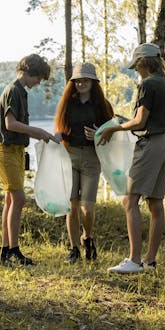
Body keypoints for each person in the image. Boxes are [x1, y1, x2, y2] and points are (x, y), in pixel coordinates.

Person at [98, 43, 165, 274]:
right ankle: (149, 262)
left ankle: (133, 260)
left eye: (136, 66)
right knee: (155, 203)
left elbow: (141, 122)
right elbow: (151, 118)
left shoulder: (148, 84)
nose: (136, 70)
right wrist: (126, 121)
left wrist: (114, 128)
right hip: (164, 142)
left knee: (129, 201)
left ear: (144, 62)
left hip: (150, 144)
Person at [0, 54, 56, 265]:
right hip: (6, 150)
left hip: (17, 150)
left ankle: (5, 251)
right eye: (38, 78)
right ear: (29, 72)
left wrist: (39, 134)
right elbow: (10, 124)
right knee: (18, 199)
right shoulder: (13, 91)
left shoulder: (21, 92)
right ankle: (13, 250)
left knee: (11, 200)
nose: (39, 82)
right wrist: (37, 131)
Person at [53, 62, 114, 263]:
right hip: (69, 156)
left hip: (91, 158)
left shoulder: (102, 106)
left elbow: (111, 134)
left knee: (87, 208)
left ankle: (87, 237)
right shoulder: (67, 104)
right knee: (72, 205)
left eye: (85, 80)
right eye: (78, 81)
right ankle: (74, 249)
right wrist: (58, 134)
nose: (81, 84)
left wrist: (97, 134)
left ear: (93, 82)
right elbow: (61, 127)